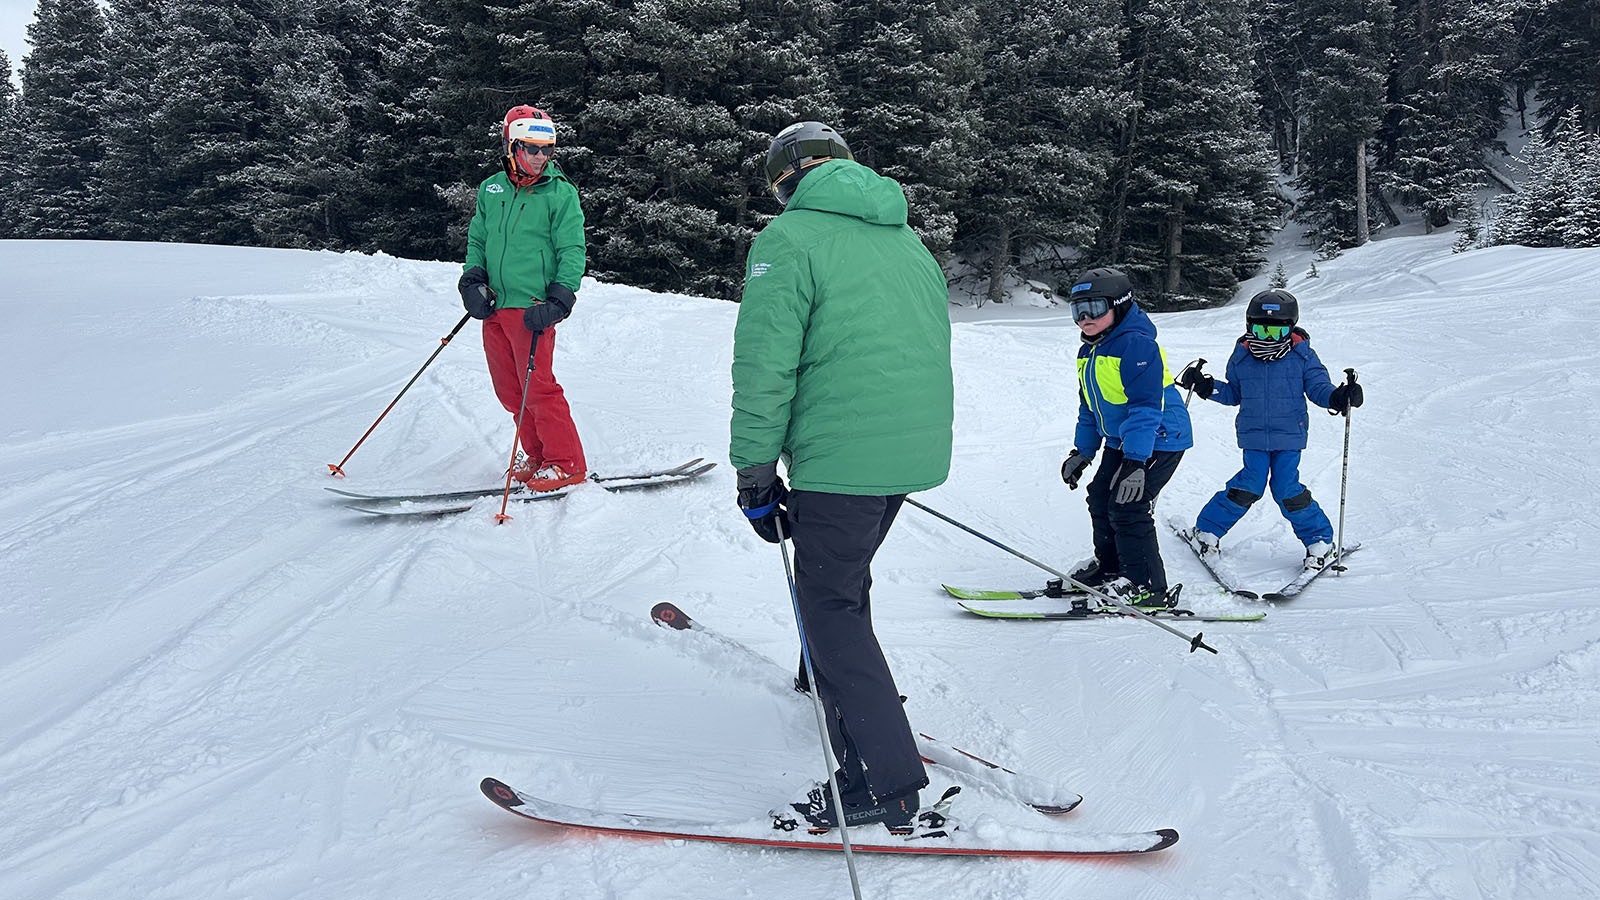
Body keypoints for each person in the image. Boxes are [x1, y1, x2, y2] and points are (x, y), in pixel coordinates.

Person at [730, 121, 954, 831]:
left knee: (831, 606)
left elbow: (766, 366)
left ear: (787, 180)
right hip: (904, 454)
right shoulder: (905, 238)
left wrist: (756, 474)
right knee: (838, 582)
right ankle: (823, 676)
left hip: (843, 457)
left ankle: (882, 780)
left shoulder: (789, 241)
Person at [1175, 288, 1364, 568]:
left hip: (1289, 435)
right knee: (1250, 484)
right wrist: (1207, 386)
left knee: (1285, 486)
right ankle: (1207, 531)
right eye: (1262, 331)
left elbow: (1317, 387)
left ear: (1290, 329)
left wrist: (1338, 396)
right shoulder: (1241, 356)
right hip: (1253, 435)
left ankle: (1319, 540)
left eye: (1276, 333)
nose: (1268, 339)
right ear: (1249, 326)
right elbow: (1234, 394)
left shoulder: (1302, 357)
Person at [457, 105, 587, 491]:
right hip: (494, 305)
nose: (540, 157)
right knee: (510, 390)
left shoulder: (560, 193)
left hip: (532, 308)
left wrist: (561, 298)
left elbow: (572, 248)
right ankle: (537, 453)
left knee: (539, 388)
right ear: (512, 146)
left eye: (547, 150)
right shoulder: (491, 188)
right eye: (531, 148)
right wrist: (472, 278)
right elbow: (478, 239)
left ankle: (566, 462)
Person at [1059, 267, 1193, 608]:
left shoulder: (1137, 346)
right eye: (1078, 310)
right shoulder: (1089, 350)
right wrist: (1083, 452)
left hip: (1159, 438)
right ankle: (1112, 569)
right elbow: (1090, 408)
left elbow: (1147, 409)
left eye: (1095, 308)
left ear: (1118, 306)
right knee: (1100, 497)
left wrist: (1135, 462)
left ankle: (1148, 586)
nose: (1085, 318)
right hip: (1125, 440)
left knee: (1128, 506)